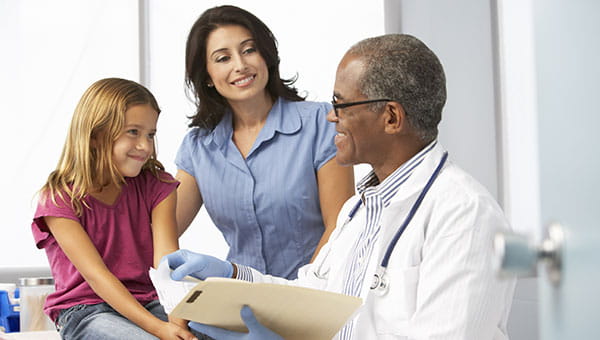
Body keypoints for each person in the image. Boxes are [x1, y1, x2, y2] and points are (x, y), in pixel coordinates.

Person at [166, 34, 517, 339]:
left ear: (391, 117)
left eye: (341, 104)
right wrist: (232, 276)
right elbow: (312, 297)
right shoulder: (359, 209)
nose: (331, 116)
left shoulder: (463, 215)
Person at [175, 5, 355, 279]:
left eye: (249, 50)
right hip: (238, 301)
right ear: (207, 76)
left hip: (314, 299)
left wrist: (301, 296)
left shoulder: (320, 123)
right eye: (223, 58)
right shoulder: (198, 147)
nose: (240, 65)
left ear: (266, 55)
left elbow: (339, 228)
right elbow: (161, 232)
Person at [31, 78, 207, 340]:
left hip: (151, 301)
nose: (145, 146)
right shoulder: (59, 199)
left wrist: (178, 328)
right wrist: (160, 329)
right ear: (95, 135)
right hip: (86, 310)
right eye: (133, 132)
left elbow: (166, 264)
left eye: (150, 134)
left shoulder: (157, 186)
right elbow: (97, 276)